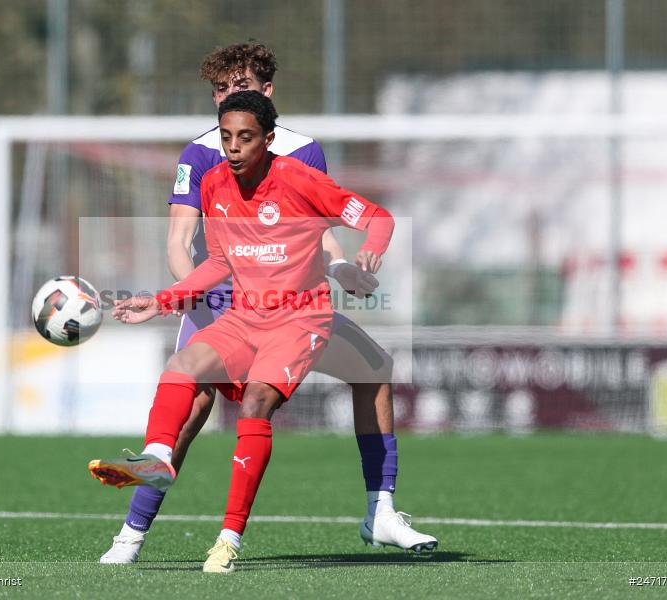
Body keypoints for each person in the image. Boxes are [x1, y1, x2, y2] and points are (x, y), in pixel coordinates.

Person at [97, 42, 436, 564]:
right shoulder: (201, 159)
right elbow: (183, 244)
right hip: (220, 301)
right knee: (188, 405)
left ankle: (379, 512)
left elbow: (316, 227)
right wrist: (179, 301)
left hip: (292, 305)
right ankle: (131, 534)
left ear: (267, 94)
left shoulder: (301, 154)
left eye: (240, 86)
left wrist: (342, 266)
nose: (228, 97)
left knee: (371, 370)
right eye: (220, 89)